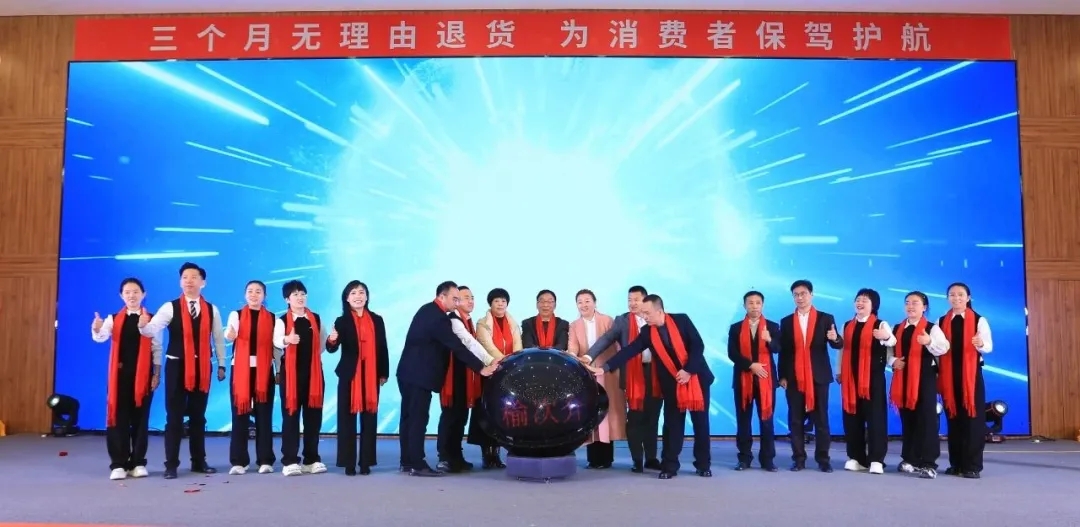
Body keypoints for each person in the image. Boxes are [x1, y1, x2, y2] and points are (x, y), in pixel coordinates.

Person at [595, 294, 714, 479]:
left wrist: (688, 370)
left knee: (701, 424)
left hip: (696, 379)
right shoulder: (647, 332)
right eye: (642, 313)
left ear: (659, 311)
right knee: (672, 426)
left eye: (647, 313)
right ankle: (670, 466)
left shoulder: (682, 320)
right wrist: (604, 368)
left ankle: (703, 465)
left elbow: (698, 346)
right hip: (672, 383)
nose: (644, 317)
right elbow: (630, 350)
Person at [397, 281, 498, 477]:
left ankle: (407, 461)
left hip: (407, 373)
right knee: (418, 419)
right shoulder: (439, 318)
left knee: (408, 418)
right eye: (455, 299)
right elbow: (457, 346)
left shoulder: (426, 310)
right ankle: (417, 464)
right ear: (441, 297)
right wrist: (481, 368)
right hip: (419, 376)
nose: (457, 303)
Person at [140, 262, 226, 479]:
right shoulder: (170, 307)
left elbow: (218, 338)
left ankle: (199, 461)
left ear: (203, 282)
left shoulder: (212, 309)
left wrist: (221, 363)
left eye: (194, 277)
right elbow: (152, 329)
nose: (189, 281)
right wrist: (142, 325)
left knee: (198, 417)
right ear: (180, 282)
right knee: (174, 417)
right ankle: (171, 464)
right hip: (177, 366)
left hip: (202, 367)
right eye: (185, 277)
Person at [583, 285, 662, 473]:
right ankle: (637, 460)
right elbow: (606, 339)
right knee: (635, 418)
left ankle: (651, 458)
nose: (632, 303)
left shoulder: (656, 319)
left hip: (655, 374)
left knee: (652, 417)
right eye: (629, 300)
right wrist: (588, 356)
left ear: (646, 301)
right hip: (633, 375)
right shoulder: (623, 321)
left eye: (636, 300)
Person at [91, 277, 162, 480]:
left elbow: (157, 348)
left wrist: (156, 374)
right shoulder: (113, 319)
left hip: (144, 376)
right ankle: (118, 464)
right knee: (118, 418)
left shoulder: (152, 319)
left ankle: (138, 462)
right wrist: (96, 328)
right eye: (127, 292)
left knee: (141, 419)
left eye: (136, 292)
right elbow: (101, 337)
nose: (132, 296)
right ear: (121, 296)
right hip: (119, 377)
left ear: (143, 294)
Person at [778, 279, 843, 473]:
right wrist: (782, 375)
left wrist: (835, 338)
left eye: (803, 293)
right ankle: (798, 459)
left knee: (821, 420)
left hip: (818, 376)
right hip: (794, 377)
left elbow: (838, 344)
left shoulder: (825, 318)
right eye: (796, 295)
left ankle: (823, 459)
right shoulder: (786, 321)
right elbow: (784, 351)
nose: (800, 297)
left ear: (812, 295)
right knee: (795, 420)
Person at [326, 281, 388, 476]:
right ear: (347, 298)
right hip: (349, 375)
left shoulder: (377, 320)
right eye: (353, 293)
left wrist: (383, 373)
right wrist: (332, 339)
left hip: (371, 375)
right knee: (346, 421)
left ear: (367, 297)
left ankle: (366, 462)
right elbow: (331, 348)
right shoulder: (341, 321)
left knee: (370, 419)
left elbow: (382, 347)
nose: (358, 296)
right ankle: (349, 463)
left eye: (361, 292)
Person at [837, 288, 896, 475]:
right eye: (858, 299)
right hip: (850, 379)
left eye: (865, 300)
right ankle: (856, 458)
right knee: (852, 418)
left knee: (875, 419)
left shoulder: (880, 324)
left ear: (873, 305)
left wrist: (885, 336)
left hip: (873, 380)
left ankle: (877, 459)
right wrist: (839, 371)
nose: (860, 303)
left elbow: (892, 343)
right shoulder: (847, 325)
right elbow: (842, 350)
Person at [891, 291, 949, 479]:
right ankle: (910, 459)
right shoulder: (897, 328)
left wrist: (929, 341)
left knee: (927, 420)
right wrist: (893, 361)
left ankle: (929, 463)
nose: (910, 306)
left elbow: (944, 348)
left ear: (924, 307)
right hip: (903, 378)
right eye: (907, 302)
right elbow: (889, 351)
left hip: (924, 378)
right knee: (908, 419)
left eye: (915, 303)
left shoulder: (932, 328)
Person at [223, 280, 279, 476]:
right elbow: (229, 334)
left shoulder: (273, 318)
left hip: (264, 371)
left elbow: (277, 346)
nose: (254, 294)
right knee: (240, 415)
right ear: (245, 294)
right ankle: (239, 461)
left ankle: (265, 460)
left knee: (264, 415)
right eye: (250, 291)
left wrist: (279, 369)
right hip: (241, 370)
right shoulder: (236, 315)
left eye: (258, 291)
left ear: (264, 296)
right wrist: (230, 334)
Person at [938, 282, 993, 479]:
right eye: (952, 294)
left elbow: (989, 346)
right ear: (948, 298)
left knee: (973, 421)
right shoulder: (941, 321)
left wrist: (980, 343)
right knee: (954, 420)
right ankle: (957, 464)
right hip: (948, 377)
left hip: (971, 378)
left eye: (960, 294)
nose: (956, 298)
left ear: (968, 298)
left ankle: (972, 466)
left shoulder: (979, 320)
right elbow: (937, 348)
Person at [273, 280, 327, 477]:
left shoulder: (316, 319)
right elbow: (276, 342)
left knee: (313, 417)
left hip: (314, 374)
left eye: (302, 293)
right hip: (291, 376)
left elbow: (322, 344)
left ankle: (311, 459)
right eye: (295, 294)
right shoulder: (281, 320)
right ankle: (290, 460)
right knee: (291, 417)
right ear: (287, 299)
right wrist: (287, 340)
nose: (300, 297)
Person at [567, 289, 626, 469]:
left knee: (608, 414)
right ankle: (593, 459)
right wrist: (572, 357)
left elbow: (616, 345)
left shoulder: (607, 320)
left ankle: (607, 458)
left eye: (587, 301)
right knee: (591, 413)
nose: (583, 305)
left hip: (608, 373)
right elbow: (572, 347)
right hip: (588, 373)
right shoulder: (574, 325)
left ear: (595, 302)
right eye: (580, 302)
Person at [727, 290, 780, 472]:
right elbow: (732, 353)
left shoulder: (772, 326)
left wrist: (769, 340)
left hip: (766, 380)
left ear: (762, 305)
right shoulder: (735, 328)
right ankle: (744, 458)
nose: (754, 306)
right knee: (743, 421)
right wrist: (751, 365)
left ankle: (767, 459)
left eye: (758, 303)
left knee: (767, 421)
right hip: (743, 380)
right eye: (750, 303)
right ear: (745, 305)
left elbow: (778, 349)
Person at [471, 287, 522, 469]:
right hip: (491, 372)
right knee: (489, 413)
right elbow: (488, 347)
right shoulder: (482, 323)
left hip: (509, 374)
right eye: (496, 301)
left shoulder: (513, 323)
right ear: (490, 304)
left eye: (503, 301)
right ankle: (488, 454)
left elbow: (518, 346)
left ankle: (499, 453)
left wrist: (515, 362)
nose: (500, 304)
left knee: (505, 413)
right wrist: (505, 363)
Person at [437, 285, 479, 472]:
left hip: (464, 375)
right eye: (465, 297)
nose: (470, 301)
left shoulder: (468, 321)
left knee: (461, 417)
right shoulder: (454, 320)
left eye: (472, 297)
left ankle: (456, 456)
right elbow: (470, 344)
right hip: (452, 377)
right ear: (455, 301)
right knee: (450, 417)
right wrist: (490, 362)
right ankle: (444, 457)